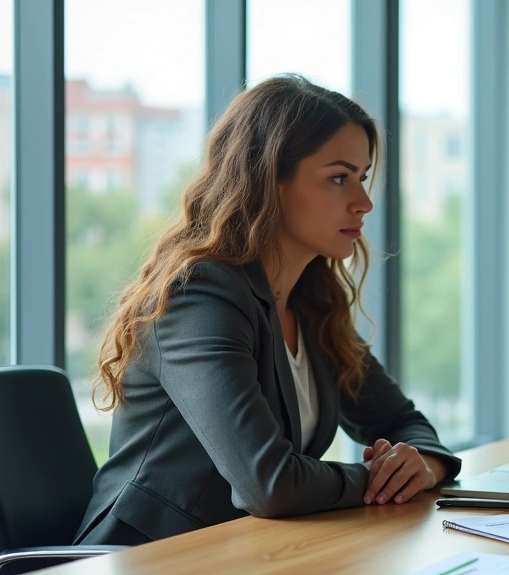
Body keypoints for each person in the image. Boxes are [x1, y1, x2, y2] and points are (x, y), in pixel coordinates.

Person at [75, 75, 461, 546]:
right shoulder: (198, 297)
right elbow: (269, 485)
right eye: (339, 178)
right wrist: (379, 481)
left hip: (240, 559)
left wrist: (422, 463)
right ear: (269, 180)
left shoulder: (313, 303)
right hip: (142, 569)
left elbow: (401, 420)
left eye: (361, 178)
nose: (363, 202)